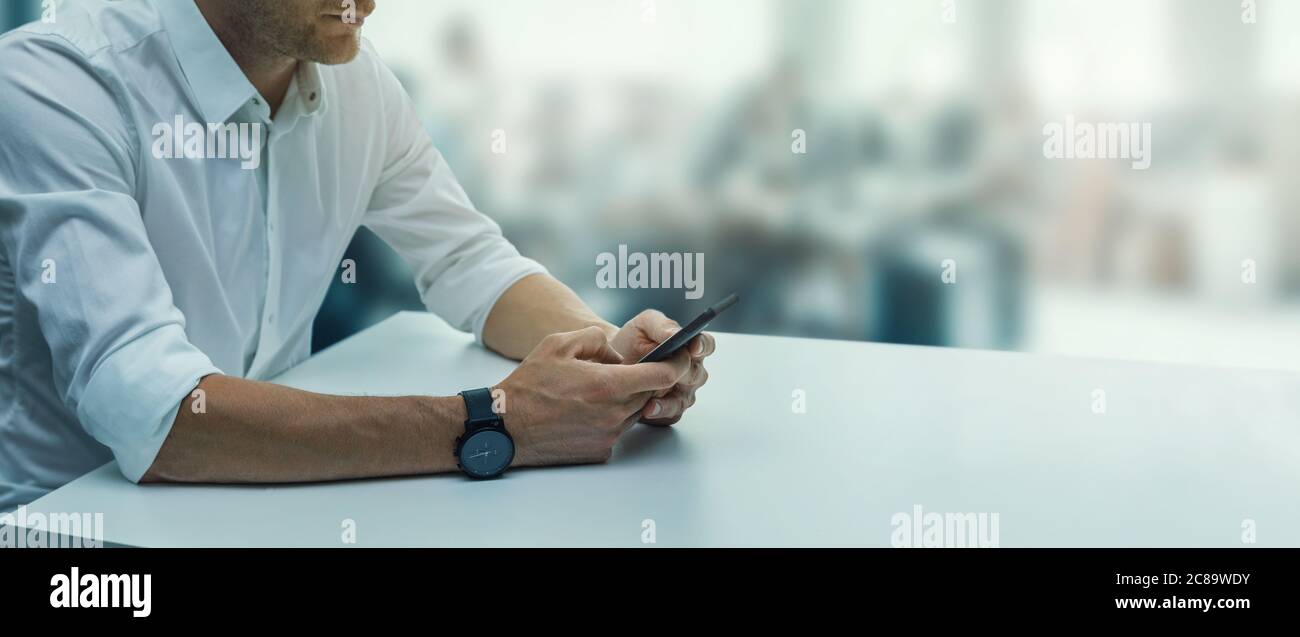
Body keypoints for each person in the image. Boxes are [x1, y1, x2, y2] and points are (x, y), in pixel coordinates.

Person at [0, 0, 714, 512]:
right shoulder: (59, 83)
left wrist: (608, 358)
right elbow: (155, 415)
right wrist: (495, 421)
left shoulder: (354, 79)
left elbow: (471, 261)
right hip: (88, 538)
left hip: (262, 505)